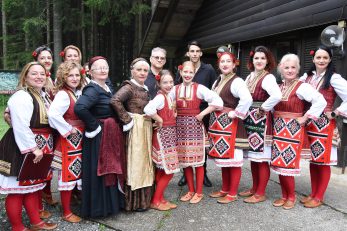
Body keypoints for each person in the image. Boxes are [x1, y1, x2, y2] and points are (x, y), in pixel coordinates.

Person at [0, 62, 58, 230]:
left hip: (40, 147)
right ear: (25, 76)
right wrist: (33, 148)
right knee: (17, 191)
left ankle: (36, 222)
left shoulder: (42, 95)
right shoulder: (22, 96)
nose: (39, 76)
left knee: (32, 188)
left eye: (42, 73)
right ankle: (17, 227)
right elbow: (20, 125)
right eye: (34, 73)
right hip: (22, 148)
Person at [271, 54, 326, 209]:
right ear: (281, 69)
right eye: (286, 67)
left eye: (293, 67)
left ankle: (291, 197)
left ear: (298, 69)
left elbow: (320, 101)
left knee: (287, 163)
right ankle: (284, 195)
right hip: (279, 127)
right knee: (279, 163)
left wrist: (305, 118)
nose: (290, 70)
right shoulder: (279, 86)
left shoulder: (302, 86)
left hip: (293, 129)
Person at [74, 56, 124, 217]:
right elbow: (80, 108)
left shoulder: (107, 86)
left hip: (109, 133)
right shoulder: (92, 89)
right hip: (99, 137)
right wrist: (94, 126)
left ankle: (110, 205)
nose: (103, 70)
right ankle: (98, 208)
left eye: (105, 67)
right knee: (101, 169)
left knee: (111, 167)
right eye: (98, 68)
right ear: (90, 72)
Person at [300, 45, 347, 208]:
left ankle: (319, 196)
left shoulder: (334, 78)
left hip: (325, 125)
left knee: (323, 161)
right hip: (310, 123)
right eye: (318, 57)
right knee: (314, 161)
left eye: (325, 58)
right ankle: (313, 193)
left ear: (330, 60)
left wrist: (335, 112)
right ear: (313, 59)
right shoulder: (307, 77)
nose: (321, 60)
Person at [170, 61, 222, 204]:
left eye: (190, 72)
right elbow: (165, 103)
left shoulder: (199, 88)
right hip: (180, 128)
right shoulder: (174, 89)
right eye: (185, 72)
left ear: (194, 74)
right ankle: (191, 190)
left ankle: (199, 192)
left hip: (195, 127)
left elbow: (218, 101)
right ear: (181, 72)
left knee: (198, 161)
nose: (187, 75)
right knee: (185, 161)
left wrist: (202, 113)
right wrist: (172, 112)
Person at [208, 51, 253, 203]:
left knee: (233, 160)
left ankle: (232, 193)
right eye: (222, 62)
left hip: (231, 125)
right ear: (218, 64)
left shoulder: (237, 81)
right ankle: (224, 189)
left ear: (234, 65)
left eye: (228, 61)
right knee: (225, 160)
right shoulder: (218, 80)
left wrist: (236, 113)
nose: (225, 64)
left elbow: (247, 99)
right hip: (219, 125)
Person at [111, 57, 154, 212]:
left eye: (145, 70)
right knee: (135, 163)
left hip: (144, 128)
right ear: (132, 71)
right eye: (139, 70)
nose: (142, 73)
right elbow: (115, 100)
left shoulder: (144, 87)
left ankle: (143, 201)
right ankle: (133, 202)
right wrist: (127, 119)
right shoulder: (129, 87)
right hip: (135, 130)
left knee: (144, 162)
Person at [241, 46, 282, 203]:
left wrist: (264, 108)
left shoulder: (268, 78)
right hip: (250, 119)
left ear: (267, 61)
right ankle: (254, 188)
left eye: (262, 58)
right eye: (256, 58)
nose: (259, 61)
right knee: (254, 157)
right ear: (252, 60)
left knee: (262, 158)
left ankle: (260, 192)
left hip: (261, 120)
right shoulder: (250, 77)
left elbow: (277, 95)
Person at [48, 61, 85, 222]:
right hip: (70, 141)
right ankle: (67, 213)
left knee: (76, 173)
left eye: (77, 75)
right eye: (70, 75)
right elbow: (53, 115)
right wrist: (68, 129)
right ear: (64, 77)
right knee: (68, 176)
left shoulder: (76, 92)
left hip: (79, 140)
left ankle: (74, 207)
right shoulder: (64, 94)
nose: (75, 78)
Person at [177, 41, 217, 187]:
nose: (194, 54)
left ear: (201, 53)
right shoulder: (183, 68)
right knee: (185, 144)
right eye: (191, 51)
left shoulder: (208, 69)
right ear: (188, 53)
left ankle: (203, 173)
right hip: (185, 112)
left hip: (203, 111)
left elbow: (214, 88)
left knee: (201, 145)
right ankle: (185, 175)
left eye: (197, 51)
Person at [144, 69, 180, 211]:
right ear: (159, 83)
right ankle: (156, 201)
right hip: (163, 136)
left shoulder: (168, 96)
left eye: (171, 82)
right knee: (169, 170)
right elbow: (148, 109)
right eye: (165, 82)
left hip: (169, 135)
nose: (169, 85)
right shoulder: (160, 97)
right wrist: (159, 119)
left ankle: (160, 198)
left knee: (162, 170)